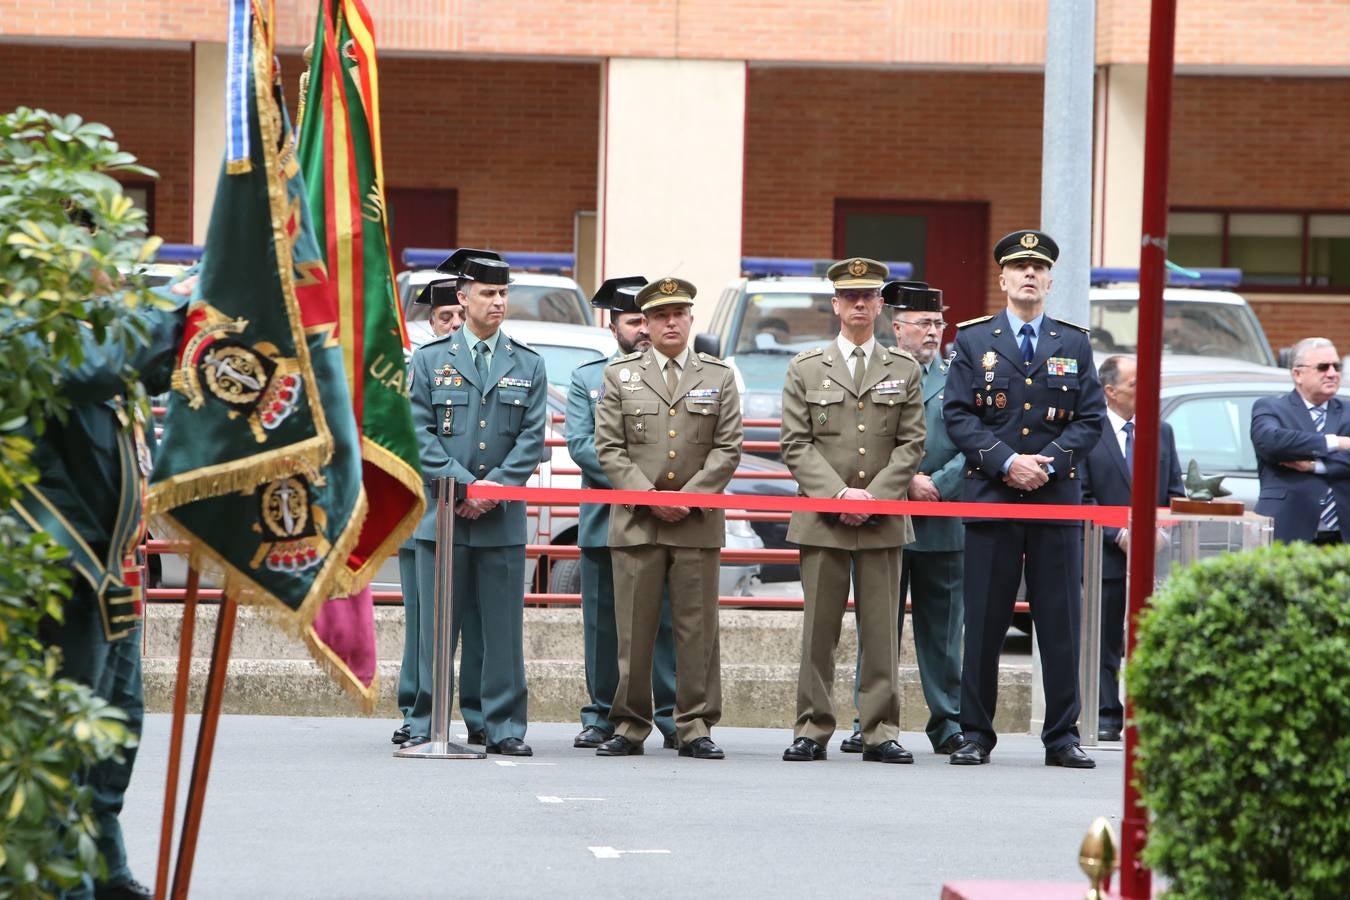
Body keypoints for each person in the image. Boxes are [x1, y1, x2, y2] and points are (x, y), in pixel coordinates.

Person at [21, 275, 191, 900]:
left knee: (114, 736)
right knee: (64, 747)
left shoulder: (91, 333)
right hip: (58, 575)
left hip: (113, 572)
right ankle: (65, 884)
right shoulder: (25, 327)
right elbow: (104, 363)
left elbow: (144, 372)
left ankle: (104, 871)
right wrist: (197, 298)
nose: (103, 272)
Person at [942, 229, 1105, 769]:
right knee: (984, 621)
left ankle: (1062, 736)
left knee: (1060, 623)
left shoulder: (1073, 342)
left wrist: (1048, 463)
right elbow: (960, 415)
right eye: (1019, 267)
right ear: (1003, 278)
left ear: (1051, 280)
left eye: (1038, 267)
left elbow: (1090, 419)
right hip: (992, 493)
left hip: (1055, 498)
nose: (1029, 274)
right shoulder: (973, 340)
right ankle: (974, 734)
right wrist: (1007, 461)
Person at [779, 258, 925, 764]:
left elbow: (911, 445)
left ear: (881, 305)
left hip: (882, 518)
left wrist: (874, 497)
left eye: (869, 296)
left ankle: (880, 729)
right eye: (850, 297)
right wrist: (840, 496)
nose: (860, 304)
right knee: (819, 630)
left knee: (882, 632)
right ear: (835, 305)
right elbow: (795, 444)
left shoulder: (903, 368)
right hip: (824, 516)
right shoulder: (806, 367)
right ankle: (812, 727)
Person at [593, 277, 742, 759]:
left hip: (695, 522)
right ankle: (630, 724)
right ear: (647, 325)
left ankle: (695, 725)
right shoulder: (621, 376)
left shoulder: (718, 376)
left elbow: (727, 450)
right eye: (660, 315)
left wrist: (690, 498)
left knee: (696, 631)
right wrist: (650, 495)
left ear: (691, 319)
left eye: (679, 313)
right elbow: (610, 449)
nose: (670, 322)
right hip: (638, 521)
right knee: (633, 631)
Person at [406, 249, 547, 755]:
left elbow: (532, 440)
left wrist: (489, 494)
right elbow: (418, 434)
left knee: (501, 633)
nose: (498, 302)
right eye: (488, 293)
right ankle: (424, 722)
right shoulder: (429, 361)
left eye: (504, 293)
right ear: (462, 299)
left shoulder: (527, 364)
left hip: (500, 519)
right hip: (442, 516)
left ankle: (501, 726)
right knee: (434, 631)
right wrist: (464, 486)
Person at [837, 280, 964, 757]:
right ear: (898, 327)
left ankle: (947, 720)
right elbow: (862, 438)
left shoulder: (960, 376)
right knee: (877, 626)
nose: (932, 332)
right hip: (886, 515)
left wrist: (939, 483)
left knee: (945, 630)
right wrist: (907, 479)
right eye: (923, 323)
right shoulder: (877, 370)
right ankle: (868, 718)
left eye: (938, 323)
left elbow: (975, 441)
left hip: (943, 518)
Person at [565, 276, 679, 751]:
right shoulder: (588, 378)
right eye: (634, 322)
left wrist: (660, 489)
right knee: (604, 623)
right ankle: (601, 714)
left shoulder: (678, 374)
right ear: (613, 327)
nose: (645, 331)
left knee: (667, 622)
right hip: (607, 517)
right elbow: (582, 446)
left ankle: (672, 715)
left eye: (648, 320)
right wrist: (641, 484)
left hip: (668, 515)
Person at [1079, 354, 1184, 742]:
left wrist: (1162, 531)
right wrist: (1120, 535)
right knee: (1105, 638)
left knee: (1151, 636)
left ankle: (1149, 711)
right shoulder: (1089, 433)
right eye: (1135, 383)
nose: (1146, 390)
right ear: (1110, 391)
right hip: (1105, 553)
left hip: (1153, 556)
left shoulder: (1162, 431)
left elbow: (1174, 492)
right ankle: (1108, 715)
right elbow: (1082, 497)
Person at [393, 277, 465, 745]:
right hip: (419, 506)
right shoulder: (411, 367)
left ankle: (472, 713)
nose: (454, 325)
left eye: (460, 317)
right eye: (445, 318)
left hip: (473, 504)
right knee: (422, 619)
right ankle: (416, 710)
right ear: (429, 321)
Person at [1251, 337, 1350, 544]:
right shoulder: (1270, 408)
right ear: (1298, 374)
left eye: (1336, 366)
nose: (1332, 373)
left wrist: (1315, 467)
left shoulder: (1347, 412)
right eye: (1323, 367)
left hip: (1342, 533)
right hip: (1290, 528)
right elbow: (1271, 442)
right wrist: (1336, 443)